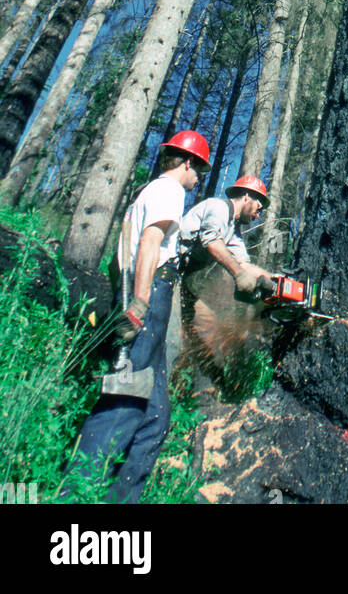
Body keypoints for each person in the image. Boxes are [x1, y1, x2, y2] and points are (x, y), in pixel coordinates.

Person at [63, 130, 212, 503]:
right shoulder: (169, 191)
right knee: (125, 401)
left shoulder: (148, 193)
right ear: (188, 162)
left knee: (155, 419)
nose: (198, 181)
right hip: (150, 296)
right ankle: (75, 495)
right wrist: (139, 303)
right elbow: (149, 243)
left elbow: (126, 254)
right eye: (200, 171)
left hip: (146, 295)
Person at [179, 175, 275, 295]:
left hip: (182, 276)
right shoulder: (219, 207)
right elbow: (212, 242)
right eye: (258, 209)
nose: (257, 216)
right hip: (167, 264)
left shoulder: (232, 229)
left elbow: (243, 264)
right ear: (246, 197)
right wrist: (239, 274)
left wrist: (275, 280)